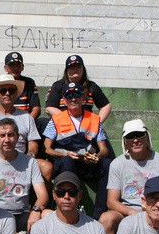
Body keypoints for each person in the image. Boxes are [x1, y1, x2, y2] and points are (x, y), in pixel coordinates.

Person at [42, 82, 112, 219]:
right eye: (69, 96)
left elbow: (104, 149)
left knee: (108, 164)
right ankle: (69, 208)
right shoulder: (56, 120)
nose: (73, 98)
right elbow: (47, 149)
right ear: (64, 99)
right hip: (66, 164)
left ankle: (99, 213)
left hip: (87, 164)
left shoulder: (94, 119)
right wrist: (65, 153)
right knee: (67, 161)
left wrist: (96, 157)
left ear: (83, 98)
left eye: (76, 94)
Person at [0, 118, 50, 233]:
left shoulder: (30, 162)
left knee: (48, 214)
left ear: (17, 137)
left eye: (11, 135)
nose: (7, 140)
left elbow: (43, 195)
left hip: (21, 214)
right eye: (2, 136)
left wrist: (36, 211)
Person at [45, 54, 111, 124]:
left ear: (83, 69)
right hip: (64, 125)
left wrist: (97, 123)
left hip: (87, 125)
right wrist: (69, 121)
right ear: (66, 70)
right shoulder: (58, 86)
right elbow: (50, 107)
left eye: (78, 67)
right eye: (72, 67)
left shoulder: (91, 86)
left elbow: (106, 106)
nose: (75, 69)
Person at [0, 52, 42, 119]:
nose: (15, 68)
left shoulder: (29, 82)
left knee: (44, 121)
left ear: (22, 67)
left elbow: (36, 109)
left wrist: (27, 122)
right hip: (5, 121)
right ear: (5, 68)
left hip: (26, 119)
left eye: (18, 65)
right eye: (11, 65)